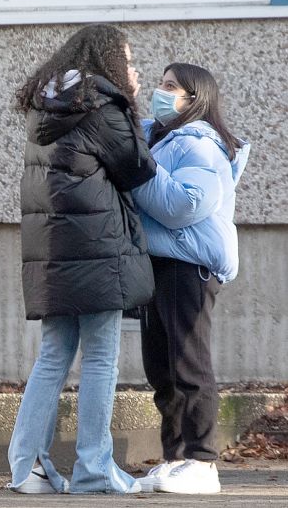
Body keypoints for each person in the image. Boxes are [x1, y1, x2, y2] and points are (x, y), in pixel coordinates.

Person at [8, 23, 158, 494]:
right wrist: (130, 103)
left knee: (53, 356)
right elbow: (138, 167)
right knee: (101, 359)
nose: (133, 71)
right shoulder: (101, 105)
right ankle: (94, 469)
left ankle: (27, 468)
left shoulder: (48, 104)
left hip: (54, 251)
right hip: (97, 249)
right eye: (128, 62)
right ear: (107, 61)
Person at [130, 63, 250, 495]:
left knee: (189, 365)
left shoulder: (201, 144)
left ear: (193, 99)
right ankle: (175, 457)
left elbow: (186, 204)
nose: (160, 93)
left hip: (189, 267)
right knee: (161, 368)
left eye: (169, 87)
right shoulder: (161, 138)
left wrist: (138, 173)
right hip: (160, 263)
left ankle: (203, 461)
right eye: (160, 84)